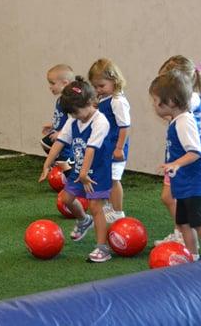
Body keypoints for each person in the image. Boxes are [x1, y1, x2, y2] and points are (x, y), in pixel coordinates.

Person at [38, 77, 113, 263]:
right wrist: (47, 164)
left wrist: (84, 173)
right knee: (66, 198)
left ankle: (102, 248)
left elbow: (91, 149)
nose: (75, 116)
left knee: (96, 207)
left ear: (90, 102)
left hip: (97, 172)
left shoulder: (100, 122)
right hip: (80, 169)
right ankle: (83, 219)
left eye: (76, 112)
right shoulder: (73, 121)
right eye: (71, 113)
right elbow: (60, 142)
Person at [149, 70, 201, 260]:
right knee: (183, 222)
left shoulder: (184, 122)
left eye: (155, 101)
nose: (154, 106)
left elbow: (195, 151)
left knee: (199, 221)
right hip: (185, 183)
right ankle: (193, 256)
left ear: (170, 102)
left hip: (197, 182)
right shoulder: (177, 119)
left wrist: (176, 164)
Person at [154, 55, 201, 246]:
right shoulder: (189, 99)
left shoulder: (191, 99)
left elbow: (185, 107)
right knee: (170, 197)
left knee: (170, 197)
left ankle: (183, 234)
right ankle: (182, 232)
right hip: (178, 154)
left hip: (186, 158)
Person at [88, 58, 130, 223]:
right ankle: (108, 206)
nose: (98, 90)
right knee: (105, 177)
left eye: (102, 86)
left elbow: (124, 126)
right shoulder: (105, 99)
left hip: (114, 147)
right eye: (95, 86)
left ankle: (118, 211)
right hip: (105, 147)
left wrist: (119, 148)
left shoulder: (118, 101)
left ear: (114, 80)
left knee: (113, 179)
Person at [41, 64, 74, 170]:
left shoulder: (71, 101)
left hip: (68, 139)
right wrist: (53, 125)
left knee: (64, 165)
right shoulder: (60, 99)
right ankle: (58, 162)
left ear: (65, 83)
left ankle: (69, 165)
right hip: (60, 136)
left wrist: (62, 133)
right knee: (45, 142)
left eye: (52, 83)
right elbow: (63, 117)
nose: (50, 86)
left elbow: (77, 121)